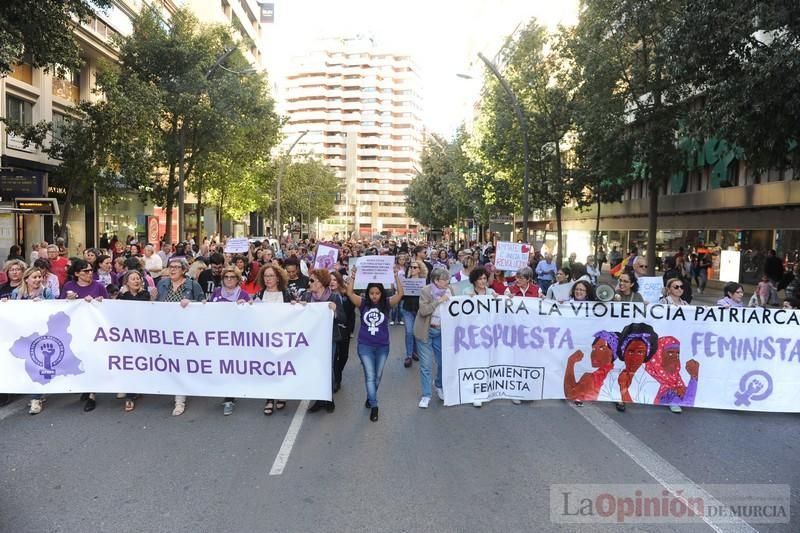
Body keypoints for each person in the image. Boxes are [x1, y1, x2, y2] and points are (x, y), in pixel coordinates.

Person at [345, 266, 404, 421]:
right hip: (365, 345)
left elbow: (400, 294)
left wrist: (396, 276)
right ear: (368, 293)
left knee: (377, 376)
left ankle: (370, 397)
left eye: (377, 293)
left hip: (383, 345)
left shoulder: (386, 303)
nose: (374, 296)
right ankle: (375, 405)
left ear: (381, 293)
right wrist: (353, 276)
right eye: (371, 293)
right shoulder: (363, 303)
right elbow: (350, 293)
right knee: (370, 376)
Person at [156, 257, 206, 416]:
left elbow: (203, 303)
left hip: (185, 332)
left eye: (177, 267)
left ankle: (179, 401)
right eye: (171, 266)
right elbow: (155, 305)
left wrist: (190, 302)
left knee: (180, 363)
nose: (172, 269)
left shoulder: (193, 285)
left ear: (184, 270)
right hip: (165, 331)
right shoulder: (162, 284)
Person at [209, 266, 251, 416]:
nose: (229, 279)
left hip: (235, 338)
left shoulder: (244, 295)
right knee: (220, 365)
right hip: (218, 336)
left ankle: (229, 399)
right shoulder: (216, 293)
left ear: (237, 279)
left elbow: (252, 314)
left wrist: (246, 306)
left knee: (231, 366)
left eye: (232, 277)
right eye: (226, 277)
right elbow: (207, 311)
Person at [305, 268, 346, 414]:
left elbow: (343, 318)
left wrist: (335, 311)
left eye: (312, 280)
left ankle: (328, 400)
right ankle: (319, 400)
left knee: (326, 368)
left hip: (329, 339)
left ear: (321, 283)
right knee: (315, 369)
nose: (309, 283)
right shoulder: (307, 296)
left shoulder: (334, 298)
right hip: (311, 339)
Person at [254, 263, 293, 414]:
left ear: (278, 278)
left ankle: (282, 394)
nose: (268, 279)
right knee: (268, 369)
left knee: (281, 367)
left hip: (282, 337)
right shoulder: (259, 295)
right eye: (265, 276)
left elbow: (295, 312)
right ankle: (269, 398)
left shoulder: (287, 293)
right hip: (265, 339)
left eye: (271, 276)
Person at [413, 268, 453, 409]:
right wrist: (439, 301)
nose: (447, 282)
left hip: (442, 332)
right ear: (436, 281)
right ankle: (426, 395)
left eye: (448, 279)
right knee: (426, 365)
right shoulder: (426, 291)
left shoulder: (451, 289)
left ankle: (439, 385)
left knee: (443, 362)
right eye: (444, 280)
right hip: (426, 331)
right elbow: (423, 311)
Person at [115, 270, 152, 412]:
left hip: (142, 335)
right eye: (133, 279)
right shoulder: (121, 296)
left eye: (138, 278)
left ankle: (135, 389)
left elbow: (140, 305)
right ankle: (129, 396)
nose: (136, 281)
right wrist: (123, 294)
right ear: (126, 282)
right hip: (125, 335)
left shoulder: (145, 294)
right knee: (128, 364)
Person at [645, 336, 699, 414]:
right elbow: (688, 403)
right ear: (659, 355)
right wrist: (694, 377)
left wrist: (694, 377)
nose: (675, 357)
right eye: (670, 353)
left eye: (677, 354)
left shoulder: (676, 381)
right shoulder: (647, 380)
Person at [564, 330, 618, 406]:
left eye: (602, 348)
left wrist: (570, 362)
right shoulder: (615, 373)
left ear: (613, 352)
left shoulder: (591, 378)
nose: (594, 354)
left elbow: (570, 394)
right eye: (593, 349)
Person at [615, 322, 659, 412]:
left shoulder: (650, 381)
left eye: (640, 352)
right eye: (630, 352)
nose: (634, 358)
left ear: (646, 354)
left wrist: (623, 389)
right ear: (623, 352)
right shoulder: (611, 375)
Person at [330, 271, 355, 393]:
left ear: (339, 281)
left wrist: (350, 329)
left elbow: (351, 314)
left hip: (344, 330)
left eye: (334, 280)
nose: (332, 282)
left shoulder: (346, 296)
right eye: (329, 280)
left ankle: (337, 373)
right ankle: (336, 380)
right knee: (334, 357)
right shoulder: (325, 295)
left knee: (344, 357)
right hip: (332, 332)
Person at [399, 260, 426, 368]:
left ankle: (415, 352)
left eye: (415, 267)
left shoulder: (424, 282)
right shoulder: (406, 281)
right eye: (411, 267)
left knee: (416, 333)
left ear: (419, 269)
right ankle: (409, 355)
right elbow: (401, 296)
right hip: (407, 310)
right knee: (409, 332)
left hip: (419, 311)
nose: (412, 269)